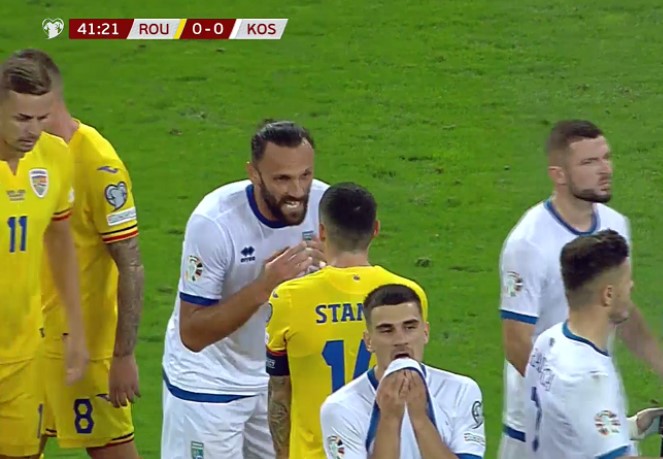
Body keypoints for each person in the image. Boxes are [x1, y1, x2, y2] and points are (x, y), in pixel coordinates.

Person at [161, 120, 329, 458]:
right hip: (209, 383)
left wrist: (335, 268)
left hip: (277, 379)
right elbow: (192, 333)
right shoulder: (214, 223)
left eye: (305, 175)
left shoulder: (325, 205)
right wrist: (264, 286)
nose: (297, 191)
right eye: (282, 179)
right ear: (254, 174)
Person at [497, 119, 663, 458]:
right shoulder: (529, 243)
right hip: (540, 419)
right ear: (558, 174)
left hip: (592, 399)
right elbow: (516, 343)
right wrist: (567, 402)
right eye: (589, 162)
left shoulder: (615, 225)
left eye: (606, 157)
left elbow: (621, 308)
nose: (605, 169)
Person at [13, 49, 144, 459]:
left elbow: (131, 263)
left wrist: (123, 355)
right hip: (27, 346)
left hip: (85, 350)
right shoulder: (23, 157)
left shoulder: (99, 165)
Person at [265, 182, 430, 459]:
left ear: (322, 232)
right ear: (375, 229)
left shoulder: (289, 298)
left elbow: (279, 391)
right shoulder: (408, 296)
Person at [0, 54, 88, 458]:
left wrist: (76, 328)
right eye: (22, 119)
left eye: (42, 117)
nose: (33, 130)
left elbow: (60, 238)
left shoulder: (54, 157)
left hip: (22, 355)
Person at [524, 229, 663, 459]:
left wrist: (634, 426)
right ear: (608, 295)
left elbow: (566, 424)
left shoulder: (549, 341)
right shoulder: (588, 377)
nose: (632, 286)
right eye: (626, 281)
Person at [320, 284, 485, 459]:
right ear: (369, 341)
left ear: (425, 332)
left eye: (409, 327)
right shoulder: (341, 408)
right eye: (387, 330)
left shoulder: (460, 391)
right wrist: (389, 420)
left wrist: (420, 420)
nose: (400, 340)